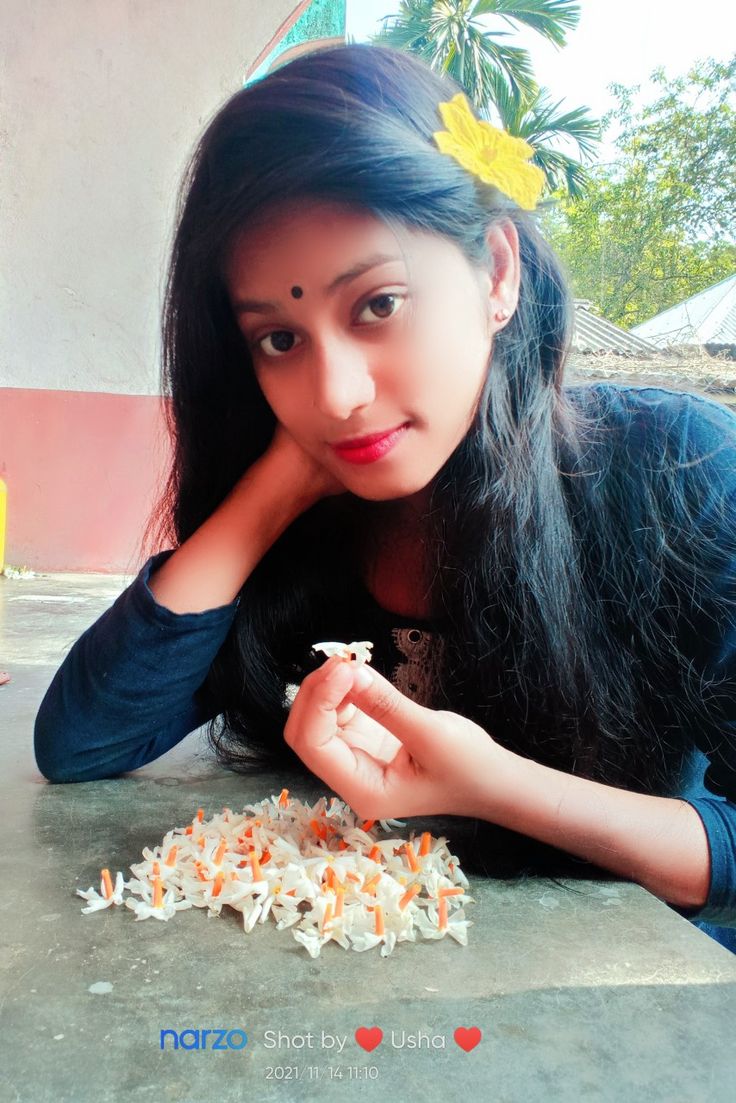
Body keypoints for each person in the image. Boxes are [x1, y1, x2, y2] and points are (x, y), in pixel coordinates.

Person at [34, 44, 736, 953]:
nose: (334, 392)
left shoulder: (673, 474)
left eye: (377, 305)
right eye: (279, 338)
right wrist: (274, 488)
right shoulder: (312, 527)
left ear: (495, 272)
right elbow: (82, 743)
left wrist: (491, 785)